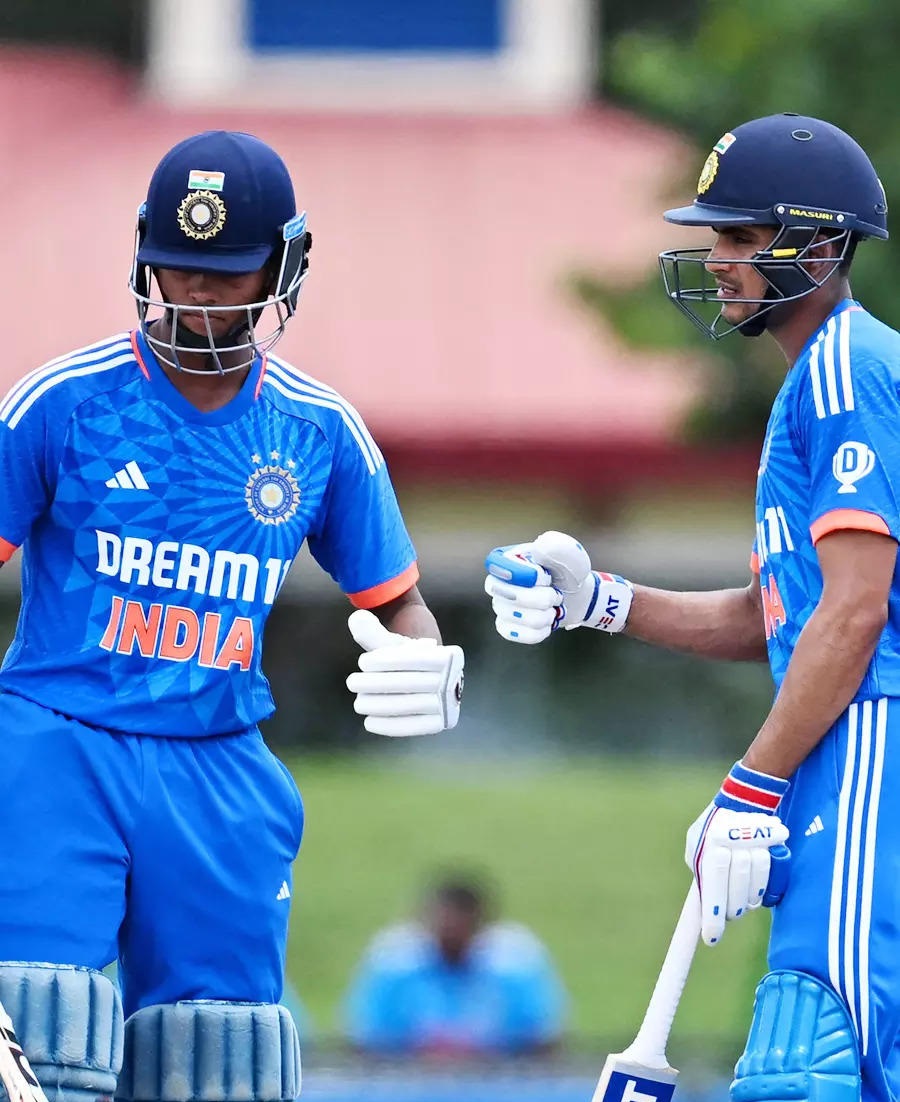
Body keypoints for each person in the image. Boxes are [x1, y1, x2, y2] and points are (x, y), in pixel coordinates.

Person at [0, 129, 464, 1102]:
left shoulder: (317, 430)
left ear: (285, 264)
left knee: (219, 1060)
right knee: (39, 1026)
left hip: (216, 760)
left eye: (227, 273)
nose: (200, 297)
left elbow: (400, 603)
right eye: (180, 270)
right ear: (143, 257)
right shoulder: (63, 403)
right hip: (56, 741)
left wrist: (430, 662)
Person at [484, 114, 898, 1102]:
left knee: (810, 1063)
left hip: (872, 743)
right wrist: (601, 600)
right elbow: (782, 617)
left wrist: (753, 782)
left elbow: (855, 614)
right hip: (851, 746)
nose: (716, 259)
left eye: (742, 237)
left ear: (822, 245)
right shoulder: (820, 375)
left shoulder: (846, 369)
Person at [343, 873, 567, 1058]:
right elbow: (363, 1041)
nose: (451, 934)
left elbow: (546, 1041)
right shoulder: (393, 963)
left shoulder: (517, 965)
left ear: (482, 924)